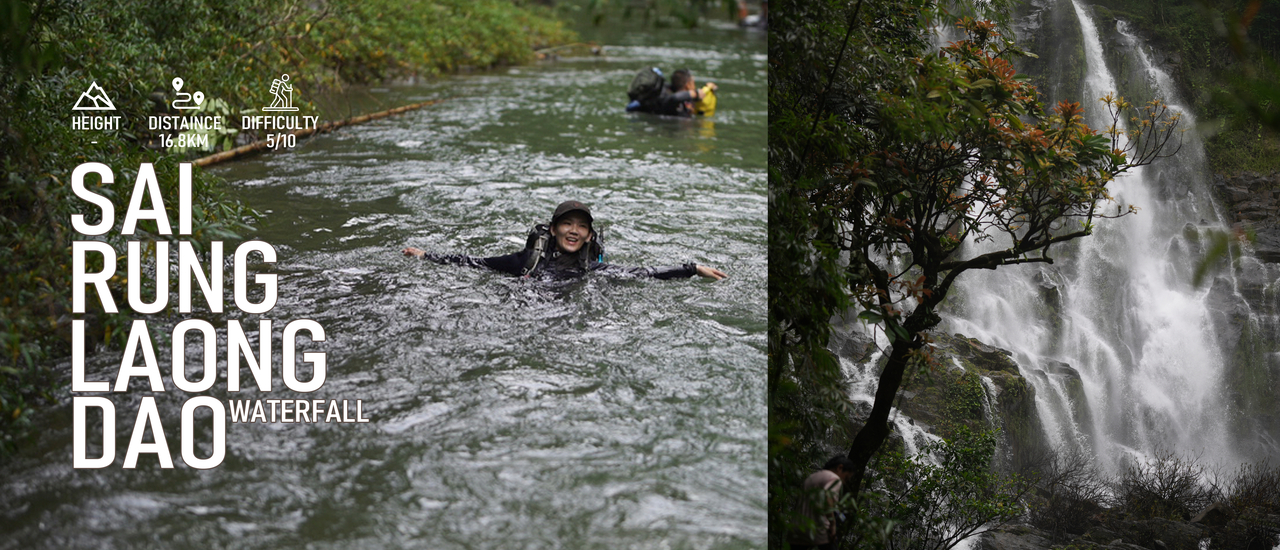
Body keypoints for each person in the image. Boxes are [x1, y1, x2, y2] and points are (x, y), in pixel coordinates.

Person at [402, 200, 728, 281]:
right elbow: (475, 262)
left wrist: (692, 268)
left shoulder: (594, 270)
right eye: (567, 224)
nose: (574, 230)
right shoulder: (525, 261)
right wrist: (425, 255)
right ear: (554, 230)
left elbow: (643, 272)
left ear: (589, 236)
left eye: (581, 226)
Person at [790, 455, 855, 550]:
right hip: (818, 531)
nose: (844, 482)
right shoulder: (835, 478)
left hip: (797, 530)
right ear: (840, 468)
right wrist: (832, 524)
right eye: (846, 478)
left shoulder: (812, 477)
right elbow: (827, 495)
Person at [629, 69, 716, 118]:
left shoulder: (669, 94)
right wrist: (696, 94)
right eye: (693, 82)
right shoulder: (670, 100)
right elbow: (675, 98)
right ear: (688, 85)